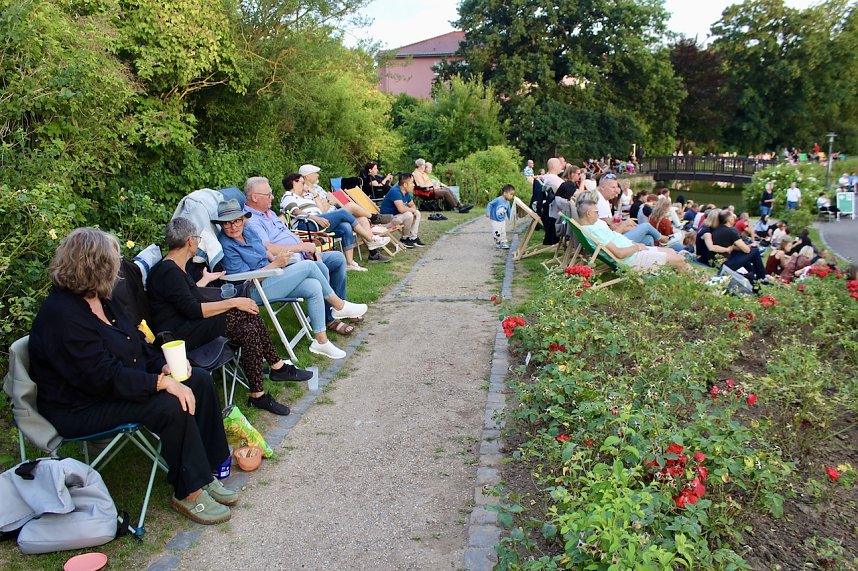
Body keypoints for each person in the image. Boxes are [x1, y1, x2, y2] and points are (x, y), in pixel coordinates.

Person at [29, 228, 238, 525]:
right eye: (115, 261)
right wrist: (159, 383)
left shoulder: (104, 299)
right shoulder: (61, 315)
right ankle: (189, 491)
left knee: (199, 380)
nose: (119, 267)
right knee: (168, 404)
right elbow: (101, 376)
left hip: (115, 385)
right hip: (80, 405)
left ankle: (208, 470)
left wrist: (163, 366)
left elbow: (138, 344)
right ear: (96, 266)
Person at [148, 218, 312, 416]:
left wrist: (205, 281)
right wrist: (234, 302)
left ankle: (258, 394)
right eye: (198, 239)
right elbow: (193, 309)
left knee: (248, 329)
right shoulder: (169, 271)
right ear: (190, 240)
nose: (198, 243)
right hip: (178, 337)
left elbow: (182, 299)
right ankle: (277, 368)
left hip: (189, 325)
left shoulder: (174, 267)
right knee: (242, 311)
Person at [214, 199, 366, 359]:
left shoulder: (248, 231)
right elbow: (246, 281)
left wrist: (276, 259)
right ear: (221, 224)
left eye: (237, 221)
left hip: (272, 276)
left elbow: (263, 250)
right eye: (227, 223)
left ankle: (321, 342)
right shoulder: (226, 245)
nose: (233, 226)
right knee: (309, 266)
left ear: (243, 219)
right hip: (253, 290)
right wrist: (276, 265)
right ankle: (338, 306)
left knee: (314, 285)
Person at [243, 177, 361, 335]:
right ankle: (330, 319)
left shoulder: (268, 213)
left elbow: (289, 234)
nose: (272, 197)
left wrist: (309, 250)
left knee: (337, 259)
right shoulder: (251, 220)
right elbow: (268, 248)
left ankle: (338, 309)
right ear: (255, 197)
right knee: (319, 266)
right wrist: (301, 247)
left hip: (301, 255)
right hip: (287, 263)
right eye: (268, 194)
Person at [280, 173, 389, 271]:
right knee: (343, 213)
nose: (304, 185)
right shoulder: (288, 196)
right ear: (294, 182)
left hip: (318, 222)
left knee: (345, 226)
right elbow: (296, 212)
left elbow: (321, 210)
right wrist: (317, 218)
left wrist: (314, 193)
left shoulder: (307, 197)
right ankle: (370, 239)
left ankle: (349, 263)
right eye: (302, 182)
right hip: (306, 225)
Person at [575, 192, 691, 272]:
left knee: (671, 251)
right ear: (588, 214)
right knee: (679, 259)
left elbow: (614, 239)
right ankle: (696, 280)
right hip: (632, 258)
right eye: (596, 211)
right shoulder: (595, 231)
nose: (598, 214)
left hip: (631, 251)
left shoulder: (590, 227)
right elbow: (620, 254)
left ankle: (692, 277)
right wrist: (637, 247)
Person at [596, 175, 667, 247]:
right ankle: (662, 239)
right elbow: (611, 228)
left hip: (611, 238)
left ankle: (650, 255)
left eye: (616, 187)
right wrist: (626, 224)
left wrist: (625, 224)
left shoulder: (603, 200)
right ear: (602, 187)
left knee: (648, 239)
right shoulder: (600, 202)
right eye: (613, 187)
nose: (616, 190)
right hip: (612, 242)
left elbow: (609, 224)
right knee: (646, 226)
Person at [710, 210, 767, 282]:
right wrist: (750, 246)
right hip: (726, 265)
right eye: (732, 217)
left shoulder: (716, 229)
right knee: (754, 250)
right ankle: (762, 277)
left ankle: (753, 273)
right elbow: (747, 250)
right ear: (729, 219)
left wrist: (737, 247)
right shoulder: (731, 231)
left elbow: (733, 247)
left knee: (741, 253)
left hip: (715, 262)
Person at [380, 173, 423, 248]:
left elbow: (412, 205)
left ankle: (413, 238)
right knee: (409, 214)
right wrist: (412, 210)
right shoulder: (395, 191)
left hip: (397, 217)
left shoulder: (405, 192)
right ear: (405, 185)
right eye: (412, 182)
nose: (414, 185)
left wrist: (413, 210)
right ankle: (404, 238)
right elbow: (401, 209)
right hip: (386, 221)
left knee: (417, 213)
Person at [486, 184, 515, 249]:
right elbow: (490, 204)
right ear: (505, 193)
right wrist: (488, 212)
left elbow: (508, 211)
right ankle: (498, 242)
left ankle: (503, 242)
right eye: (511, 194)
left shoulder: (507, 202)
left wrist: (511, 218)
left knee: (503, 231)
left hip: (502, 220)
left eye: (512, 194)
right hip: (495, 219)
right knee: (497, 231)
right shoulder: (498, 200)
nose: (512, 196)